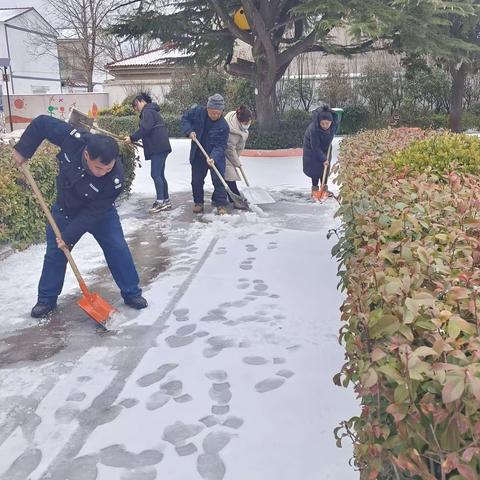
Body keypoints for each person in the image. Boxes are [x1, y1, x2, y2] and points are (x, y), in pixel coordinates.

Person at [12, 115, 148, 318]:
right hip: (65, 208)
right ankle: (46, 300)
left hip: (99, 214)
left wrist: (68, 237)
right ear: (86, 155)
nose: (103, 172)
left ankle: (132, 292)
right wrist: (23, 150)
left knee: (117, 247)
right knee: (55, 254)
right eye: (98, 167)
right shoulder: (73, 139)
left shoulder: (115, 178)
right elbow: (41, 123)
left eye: (108, 168)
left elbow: (93, 214)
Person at [181, 93, 230, 215]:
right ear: (207, 108)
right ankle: (198, 203)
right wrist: (189, 131)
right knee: (196, 181)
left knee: (218, 180)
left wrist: (213, 157)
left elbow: (221, 145)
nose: (215, 115)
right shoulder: (198, 112)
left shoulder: (223, 125)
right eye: (213, 112)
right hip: (198, 152)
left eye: (218, 113)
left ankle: (221, 204)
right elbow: (185, 118)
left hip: (214, 156)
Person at [125, 92, 172, 213]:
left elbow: (145, 129)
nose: (136, 109)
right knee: (160, 175)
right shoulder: (152, 111)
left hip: (158, 148)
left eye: (136, 105)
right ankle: (165, 200)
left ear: (142, 101)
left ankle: (160, 202)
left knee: (155, 174)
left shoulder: (148, 111)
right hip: (161, 147)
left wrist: (132, 138)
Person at [302, 105, 338, 200]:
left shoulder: (333, 126)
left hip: (326, 148)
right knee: (315, 169)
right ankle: (315, 190)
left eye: (327, 123)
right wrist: (323, 158)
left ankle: (324, 190)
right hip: (312, 150)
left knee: (325, 169)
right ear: (319, 122)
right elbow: (315, 147)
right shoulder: (314, 129)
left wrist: (326, 158)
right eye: (323, 124)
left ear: (331, 122)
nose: (325, 126)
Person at [224, 105, 252, 208]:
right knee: (230, 176)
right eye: (246, 123)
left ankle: (219, 197)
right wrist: (237, 163)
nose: (248, 124)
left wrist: (236, 161)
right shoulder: (232, 130)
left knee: (227, 177)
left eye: (249, 122)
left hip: (232, 155)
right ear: (240, 121)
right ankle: (236, 200)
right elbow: (230, 149)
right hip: (224, 154)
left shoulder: (237, 122)